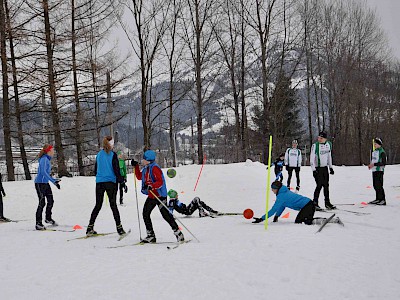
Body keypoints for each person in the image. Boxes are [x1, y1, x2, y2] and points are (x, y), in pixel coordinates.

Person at [131, 150, 184, 243]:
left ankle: (178, 233)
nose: (142, 160)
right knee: (145, 214)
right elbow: (139, 177)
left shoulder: (155, 168)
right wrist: (135, 166)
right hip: (152, 196)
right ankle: (151, 236)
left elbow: (160, 182)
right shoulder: (146, 168)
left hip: (159, 195)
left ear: (148, 160)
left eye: (144, 159)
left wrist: (152, 186)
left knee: (166, 215)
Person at [86, 136, 127, 236]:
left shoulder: (99, 154)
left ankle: (90, 227)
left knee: (98, 205)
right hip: (110, 183)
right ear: (111, 144)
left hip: (99, 182)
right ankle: (120, 229)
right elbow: (117, 171)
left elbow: (96, 170)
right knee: (113, 206)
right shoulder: (113, 155)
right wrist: (122, 182)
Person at [252, 181, 342, 226]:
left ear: (277, 189)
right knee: (302, 221)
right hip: (308, 205)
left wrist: (262, 219)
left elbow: (273, 209)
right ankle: (327, 220)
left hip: (308, 205)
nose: (272, 190)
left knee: (302, 222)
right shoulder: (282, 194)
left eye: (273, 188)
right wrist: (277, 216)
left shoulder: (281, 196)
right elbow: (282, 206)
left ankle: (330, 221)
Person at [34, 144, 61, 230]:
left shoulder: (47, 159)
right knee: (42, 202)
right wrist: (53, 181)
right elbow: (43, 172)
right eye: (52, 150)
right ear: (48, 151)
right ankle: (38, 223)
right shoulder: (44, 159)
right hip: (40, 183)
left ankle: (48, 218)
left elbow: (46, 174)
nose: (53, 152)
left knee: (50, 201)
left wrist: (54, 180)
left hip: (45, 183)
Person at [310, 131, 336, 210]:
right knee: (319, 185)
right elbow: (311, 159)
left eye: (321, 138)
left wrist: (330, 167)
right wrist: (314, 170)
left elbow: (329, 156)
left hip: (325, 168)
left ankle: (327, 202)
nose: (319, 139)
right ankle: (315, 202)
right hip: (318, 168)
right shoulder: (315, 146)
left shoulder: (328, 144)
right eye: (318, 137)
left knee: (326, 186)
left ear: (325, 139)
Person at [368, 138, 387, 205]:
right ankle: (378, 198)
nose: (375, 145)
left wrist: (375, 164)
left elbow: (383, 163)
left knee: (379, 185)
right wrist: (371, 165)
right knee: (375, 185)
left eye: (376, 144)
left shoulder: (382, 152)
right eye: (374, 144)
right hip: (374, 170)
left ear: (379, 144)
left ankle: (382, 199)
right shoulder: (375, 151)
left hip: (379, 170)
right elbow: (374, 160)